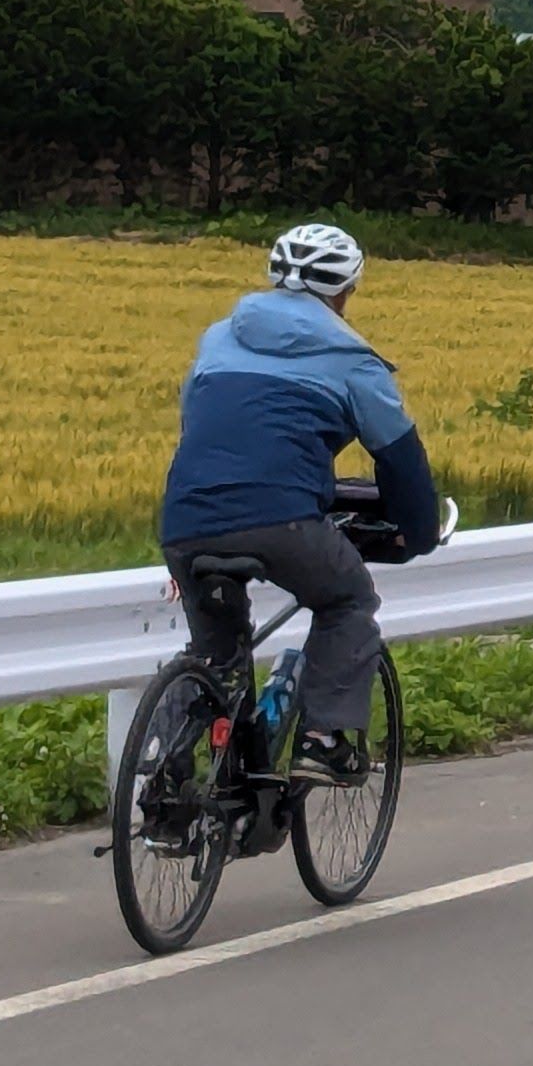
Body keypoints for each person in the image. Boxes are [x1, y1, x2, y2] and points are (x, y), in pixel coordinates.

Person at [158, 222, 442, 784]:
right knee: (346, 599)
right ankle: (323, 739)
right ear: (346, 290)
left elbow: (201, 425)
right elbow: (401, 460)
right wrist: (419, 533)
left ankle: (166, 780)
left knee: (216, 653)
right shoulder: (353, 359)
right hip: (281, 521)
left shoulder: (217, 339)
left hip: (185, 518)